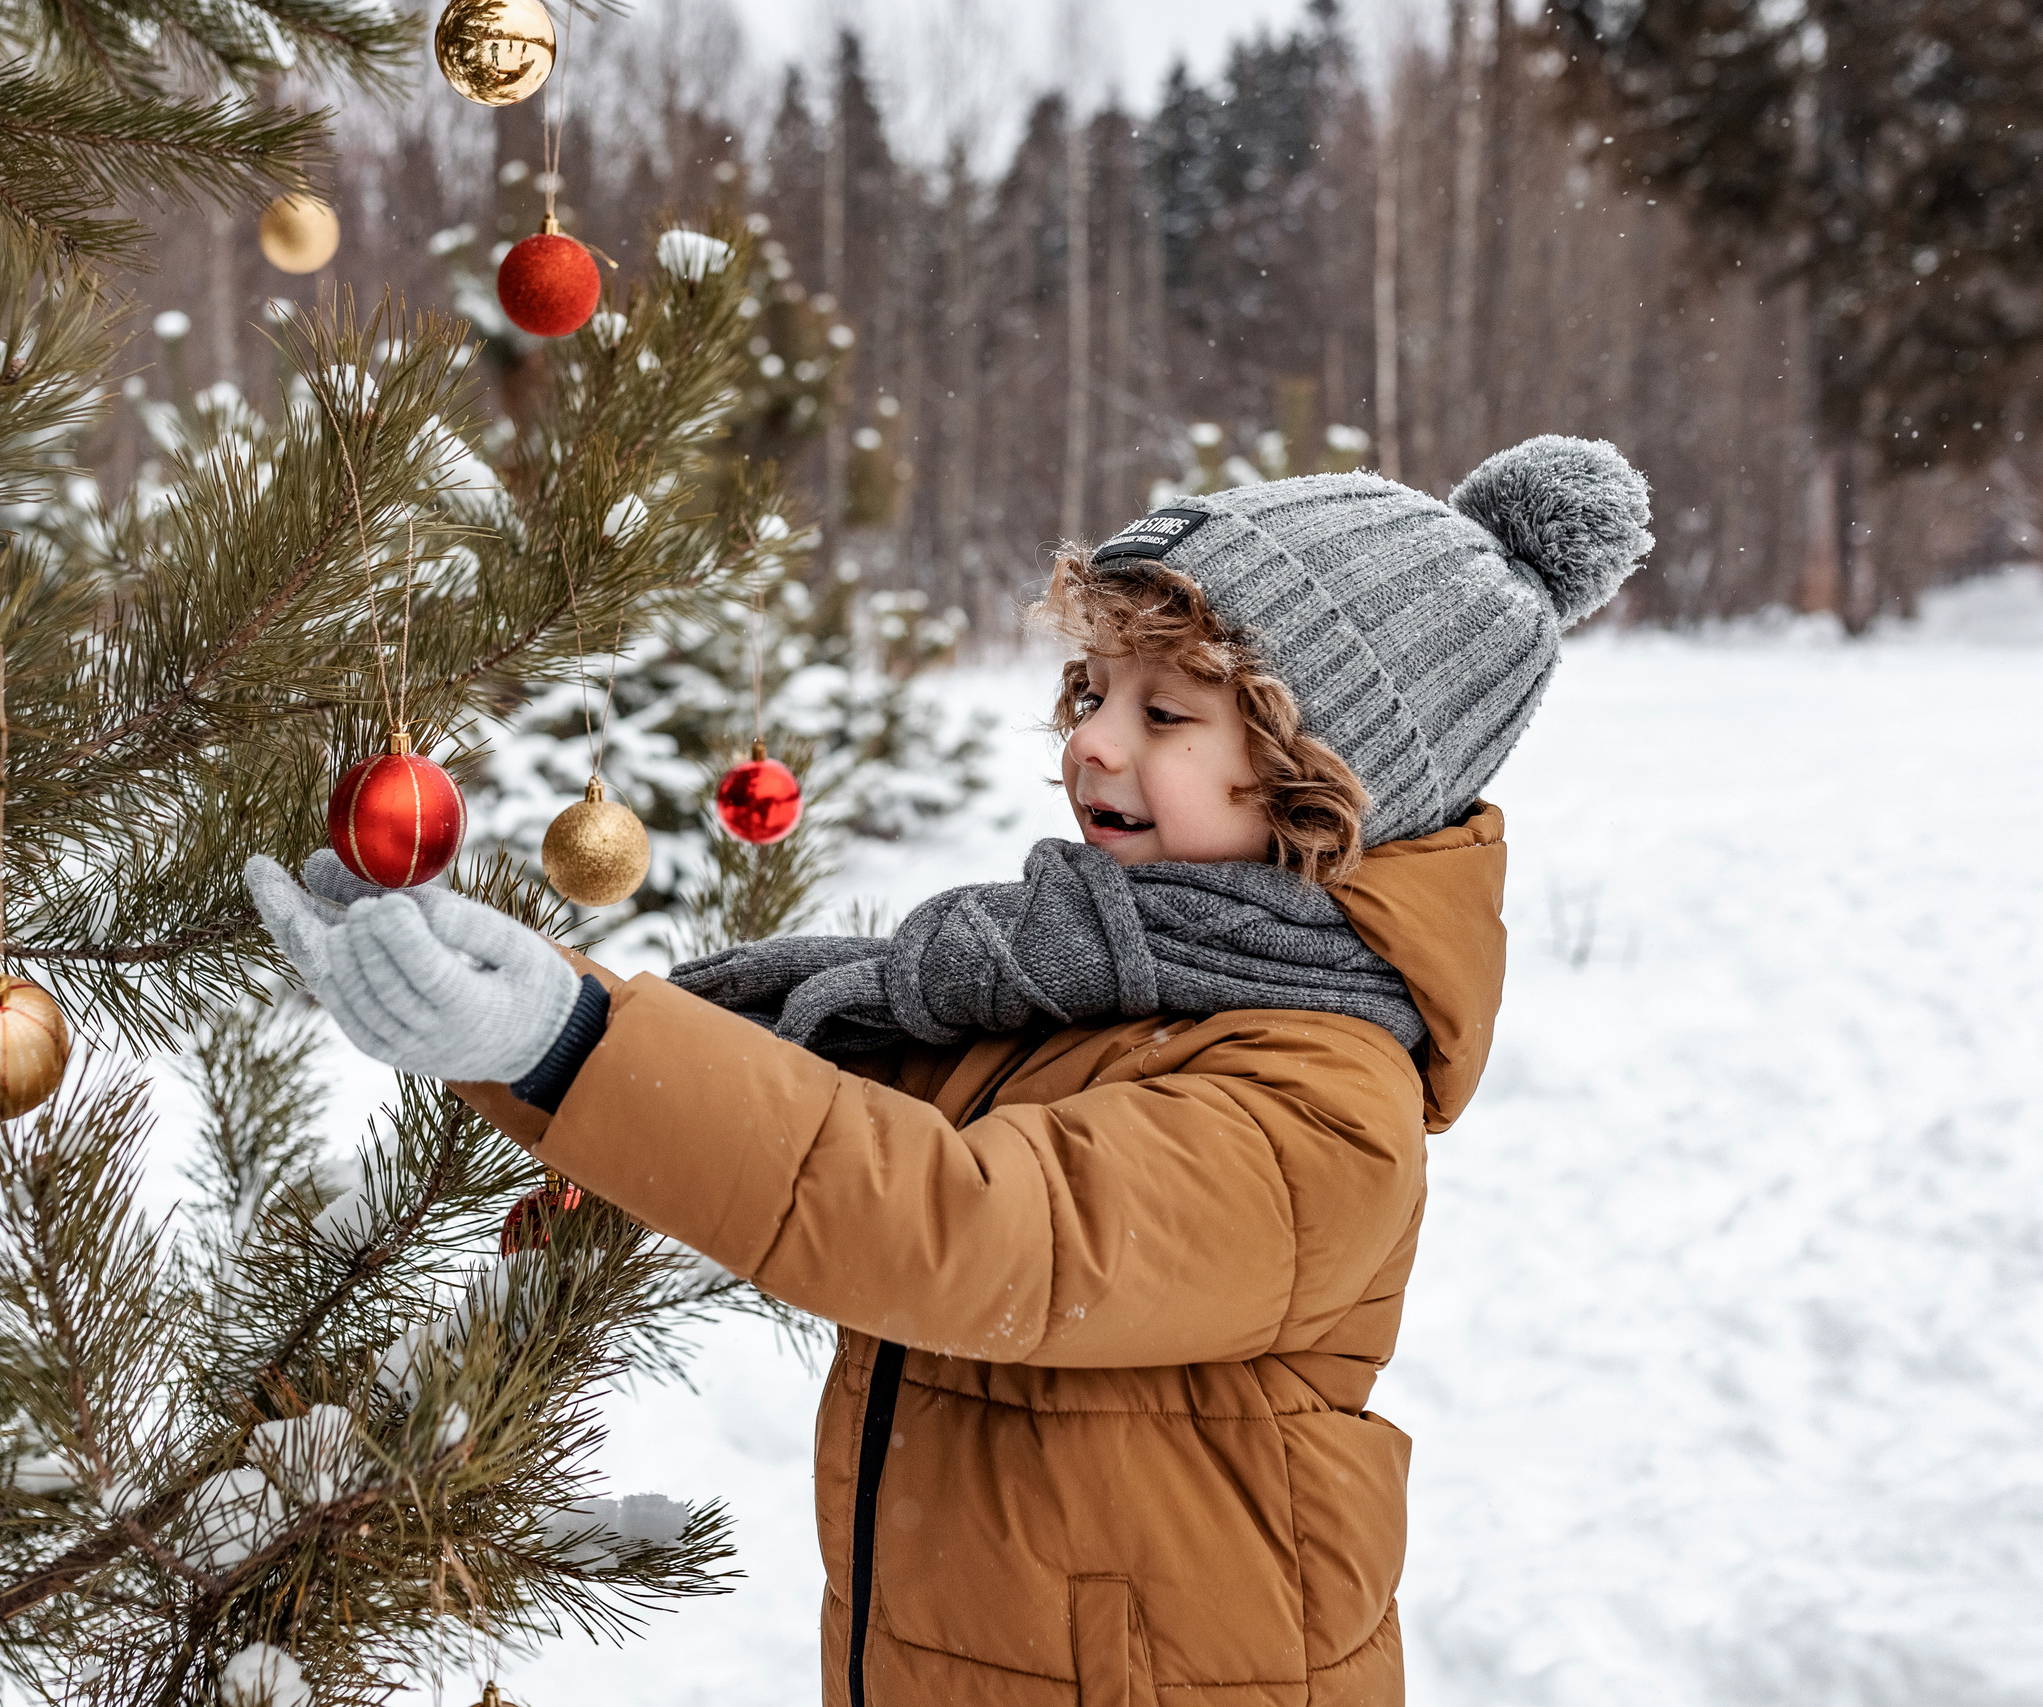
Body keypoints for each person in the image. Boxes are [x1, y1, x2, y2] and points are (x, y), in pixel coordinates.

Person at [246, 435, 1654, 1707]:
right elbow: (831, 1123)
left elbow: (963, 1225)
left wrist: (567, 1043)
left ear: (1322, 790)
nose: (1093, 739)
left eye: (1169, 717)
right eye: (1094, 691)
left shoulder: (1320, 1098)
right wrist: (530, 1021)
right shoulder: (1079, 984)